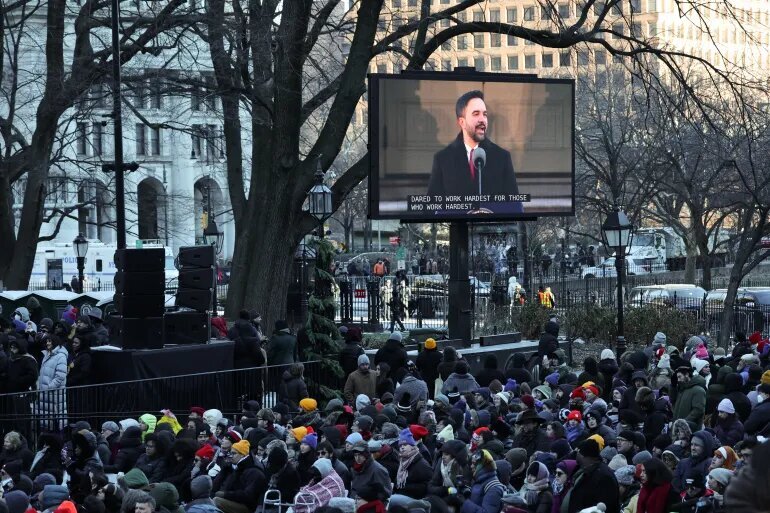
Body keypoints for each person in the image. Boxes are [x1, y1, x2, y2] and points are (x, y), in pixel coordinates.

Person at [427, 90, 520, 214]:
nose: (483, 119)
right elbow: (431, 208)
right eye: (476, 114)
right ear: (462, 122)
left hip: (493, 231)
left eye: (485, 114)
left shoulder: (502, 157)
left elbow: (515, 206)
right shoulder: (443, 159)